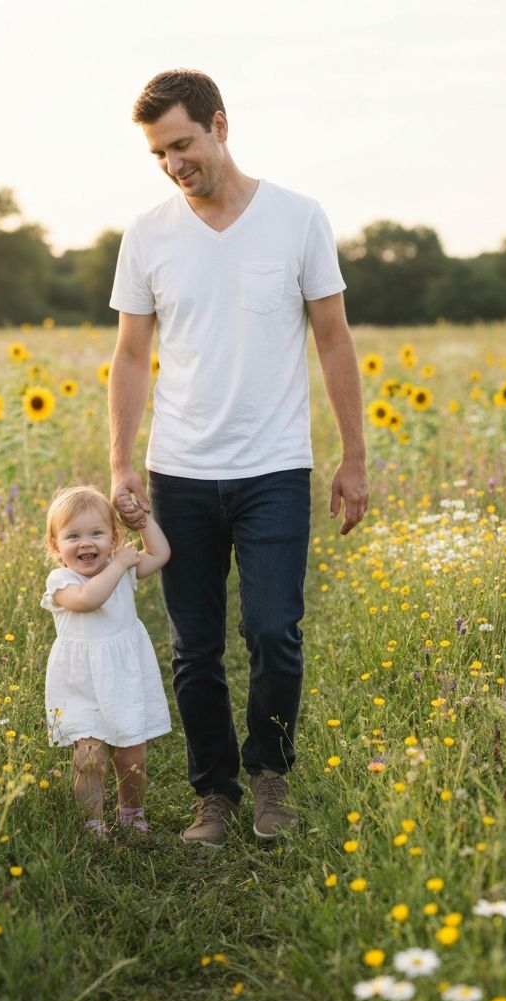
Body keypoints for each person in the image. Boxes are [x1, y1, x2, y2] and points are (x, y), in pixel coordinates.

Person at [108, 69, 369, 848]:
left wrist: (354, 458)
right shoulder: (148, 233)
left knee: (274, 629)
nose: (173, 164)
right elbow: (129, 354)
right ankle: (213, 796)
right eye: (159, 153)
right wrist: (121, 462)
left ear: (220, 125)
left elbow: (333, 338)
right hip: (179, 471)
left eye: (182, 144)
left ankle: (271, 776)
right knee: (195, 647)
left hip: (276, 468)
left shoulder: (298, 219)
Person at [41, 485, 171, 834]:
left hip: (124, 676)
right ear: (56, 547)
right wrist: (121, 564)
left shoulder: (121, 567)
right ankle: (92, 822)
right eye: (73, 536)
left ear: (114, 538)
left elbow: (159, 554)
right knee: (89, 758)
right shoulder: (62, 582)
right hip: (81, 683)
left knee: (132, 756)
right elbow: (89, 600)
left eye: (97, 534)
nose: (86, 543)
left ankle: (131, 813)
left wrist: (141, 520)